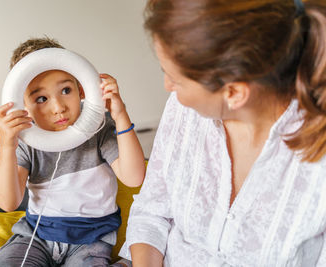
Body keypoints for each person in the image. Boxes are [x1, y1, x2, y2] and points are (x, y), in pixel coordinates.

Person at [119, 0, 326, 266]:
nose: (168, 86)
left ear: (234, 93)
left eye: (177, 79)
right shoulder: (184, 111)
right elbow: (151, 210)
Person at [0, 37, 145, 267]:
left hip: (90, 240)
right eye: (41, 98)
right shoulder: (27, 141)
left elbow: (134, 177)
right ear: (23, 105)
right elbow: (8, 202)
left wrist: (120, 116)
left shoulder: (98, 129)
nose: (58, 107)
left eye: (65, 90)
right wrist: (8, 145)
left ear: (81, 90)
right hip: (35, 237)